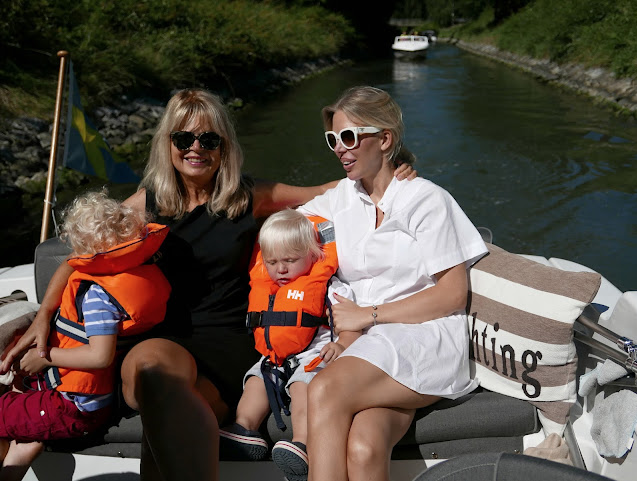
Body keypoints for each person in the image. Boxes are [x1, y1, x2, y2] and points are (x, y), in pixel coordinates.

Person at [0, 88, 415, 481]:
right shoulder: (149, 204)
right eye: (183, 138)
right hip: (162, 343)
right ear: (168, 144)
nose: (195, 148)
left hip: (227, 346)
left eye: (208, 139)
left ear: (224, 146)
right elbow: (78, 260)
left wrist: (394, 170)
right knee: (150, 370)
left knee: (166, 407)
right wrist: (44, 317)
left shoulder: (248, 197)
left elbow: (330, 190)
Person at [298, 86, 489, 481]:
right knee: (364, 447)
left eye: (348, 137)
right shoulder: (341, 198)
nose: (339, 149)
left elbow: (453, 294)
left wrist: (366, 315)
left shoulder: (426, 200)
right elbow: (277, 208)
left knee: (324, 389)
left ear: (384, 139)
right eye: (333, 139)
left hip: (425, 337)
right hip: (368, 346)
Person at [0, 190, 171, 481]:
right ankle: (23, 448)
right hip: (79, 397)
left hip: (73, 409)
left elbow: (100, 356)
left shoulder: (97, 297)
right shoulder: (139, 273)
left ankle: (24, 448)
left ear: (90, 251)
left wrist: (45, 358)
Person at [219, 209, 358, 480]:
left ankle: (302, 442)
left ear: (313, 255)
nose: (280, 269)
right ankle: (244, 429)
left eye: (290, 261)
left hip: (313, 357)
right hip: (275, 358)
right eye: (272, 262)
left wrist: (342, 344)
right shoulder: (268, 287)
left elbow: (350, 322)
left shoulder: (330, 287)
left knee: (302, 386)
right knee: (256, 380)